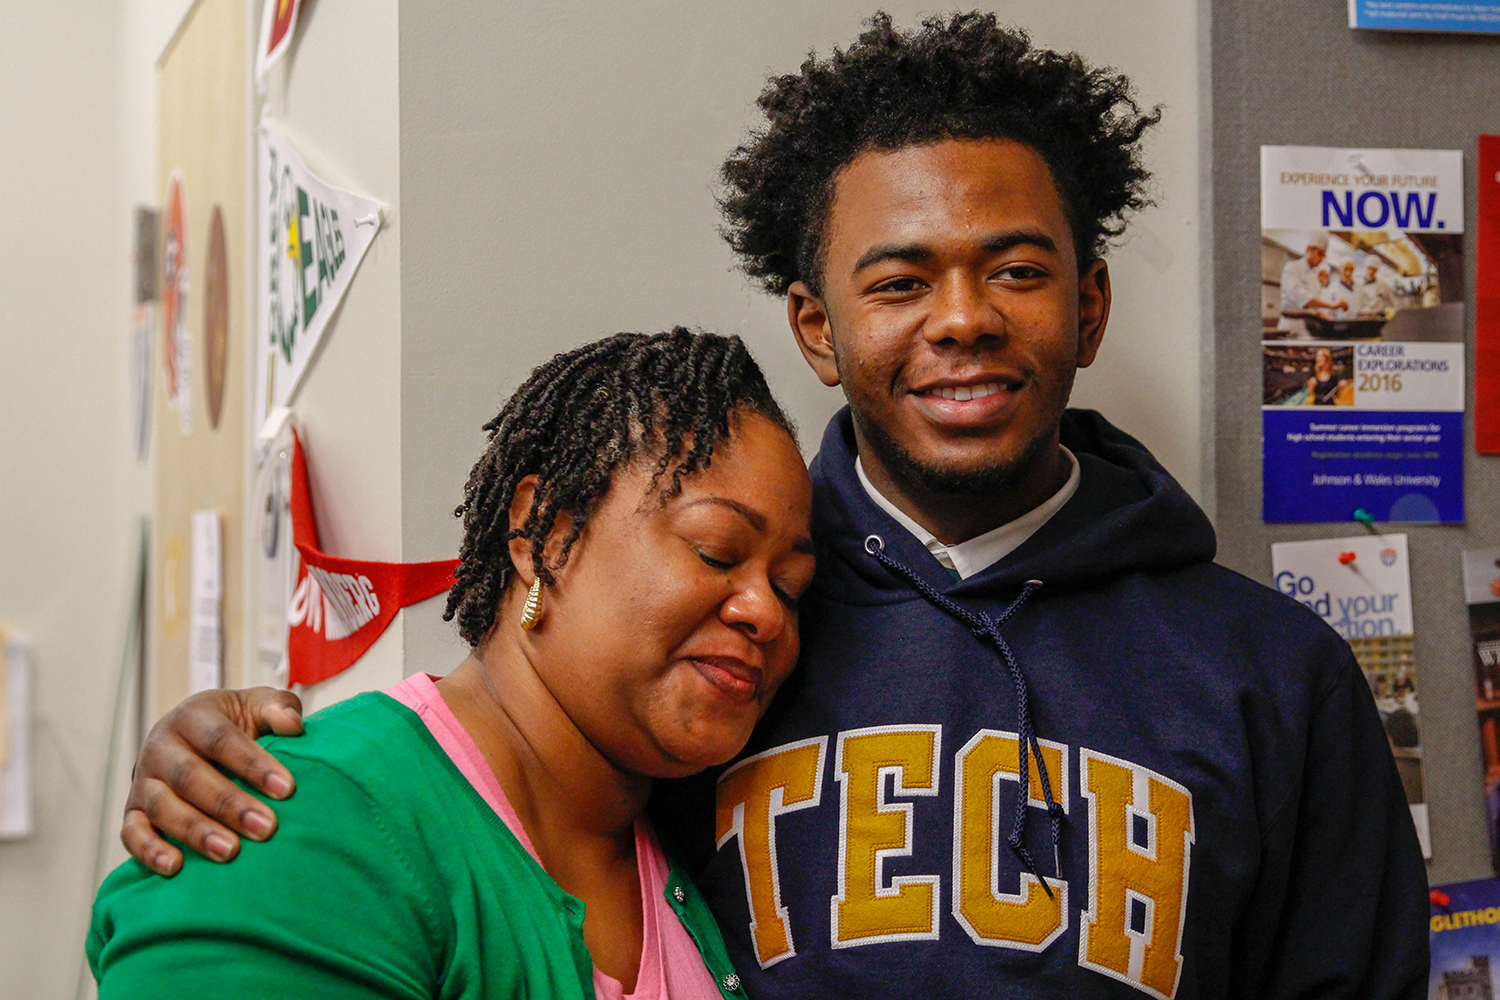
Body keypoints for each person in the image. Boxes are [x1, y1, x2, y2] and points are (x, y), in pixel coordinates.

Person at [118, 13, 1428, 1000]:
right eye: (901, 280)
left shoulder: (1274, 674)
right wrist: (226, 756)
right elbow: (491, 770)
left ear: (1088, 304)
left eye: (1017, 271)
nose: (963, 320)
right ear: (817, 325)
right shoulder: (711, 658)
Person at [89, 330, 817, 999]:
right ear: (545, 532)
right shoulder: (296, 822)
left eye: (791, 587)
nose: (766, 611)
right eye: (716, 550)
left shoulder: (695, 842)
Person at [1277, 233, 1334, 336]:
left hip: (1308, 329)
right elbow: (1301, 297)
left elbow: (1314, 307)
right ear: (1309, 249)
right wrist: (1331, 305)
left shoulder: (1314, 277)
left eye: (1323, 256)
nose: (1321, 259)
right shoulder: (1292, 268)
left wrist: (1321, 314)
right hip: (1290, 327)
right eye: (1319, 253)